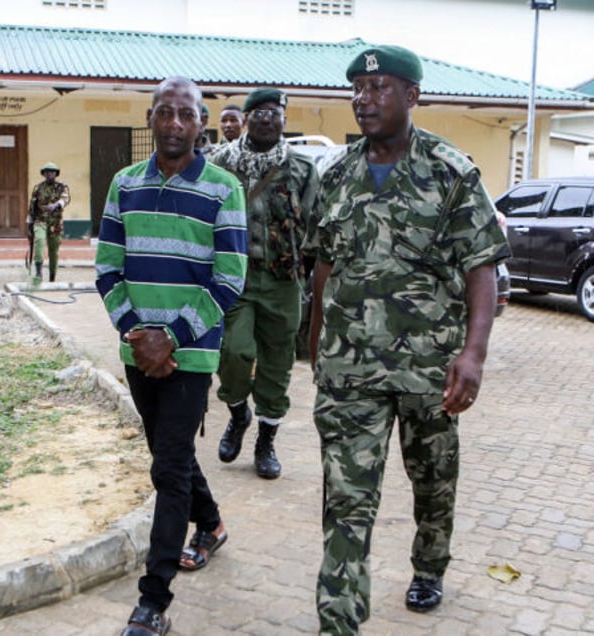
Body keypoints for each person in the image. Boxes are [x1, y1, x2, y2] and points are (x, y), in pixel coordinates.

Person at [307, 45, 510, 634]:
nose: (363, 100)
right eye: (358, 89)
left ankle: (429, 563)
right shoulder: (337, 173)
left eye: (379, 88)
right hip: (349, 372)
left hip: (428, 370)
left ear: (412, 96)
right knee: (346, 504)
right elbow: (324, 264)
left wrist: (472, 355)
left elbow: (482, 268)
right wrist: (316, 343)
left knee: (432, 479)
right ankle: (338, 622)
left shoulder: (451, 172)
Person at [95, 76, 247, 636]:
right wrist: (140, 334)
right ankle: (210, 523)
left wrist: (172, 339)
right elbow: (108, 268)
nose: (175, 124)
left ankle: (153, 600)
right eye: (165, 113)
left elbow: (230, 279)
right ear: (151, 120)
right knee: (170, 452)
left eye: (186, 114)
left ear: (201, 124)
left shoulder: (223, 189)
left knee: (168, 468)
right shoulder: (124, 184)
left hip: (192, 357)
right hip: (140, 353)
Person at [209, 87, 319, 479]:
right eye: (260, 113)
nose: (269, 120)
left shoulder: (302, 169)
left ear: (285, 121)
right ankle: (239, 414)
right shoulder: (220, 163)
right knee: (234, 352)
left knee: (277, 362)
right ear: (247, 119)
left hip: (283, 280)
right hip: (234, 276)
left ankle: (266, 440)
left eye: (276, 114)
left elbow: (315, 228)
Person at [28, 162, 70, 282]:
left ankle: (52, 276)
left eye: (52, 172)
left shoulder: (62, 187)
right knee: (39, 242)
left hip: (55, 223)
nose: (49, 174)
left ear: (56, 174)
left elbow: (65, 199)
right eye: (47, 172)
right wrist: (29, 226)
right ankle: (38, 273)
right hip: (40, 221)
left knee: (53, 251)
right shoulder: (38, 188)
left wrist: (56, 205)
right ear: (44, 174)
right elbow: (32, 207)